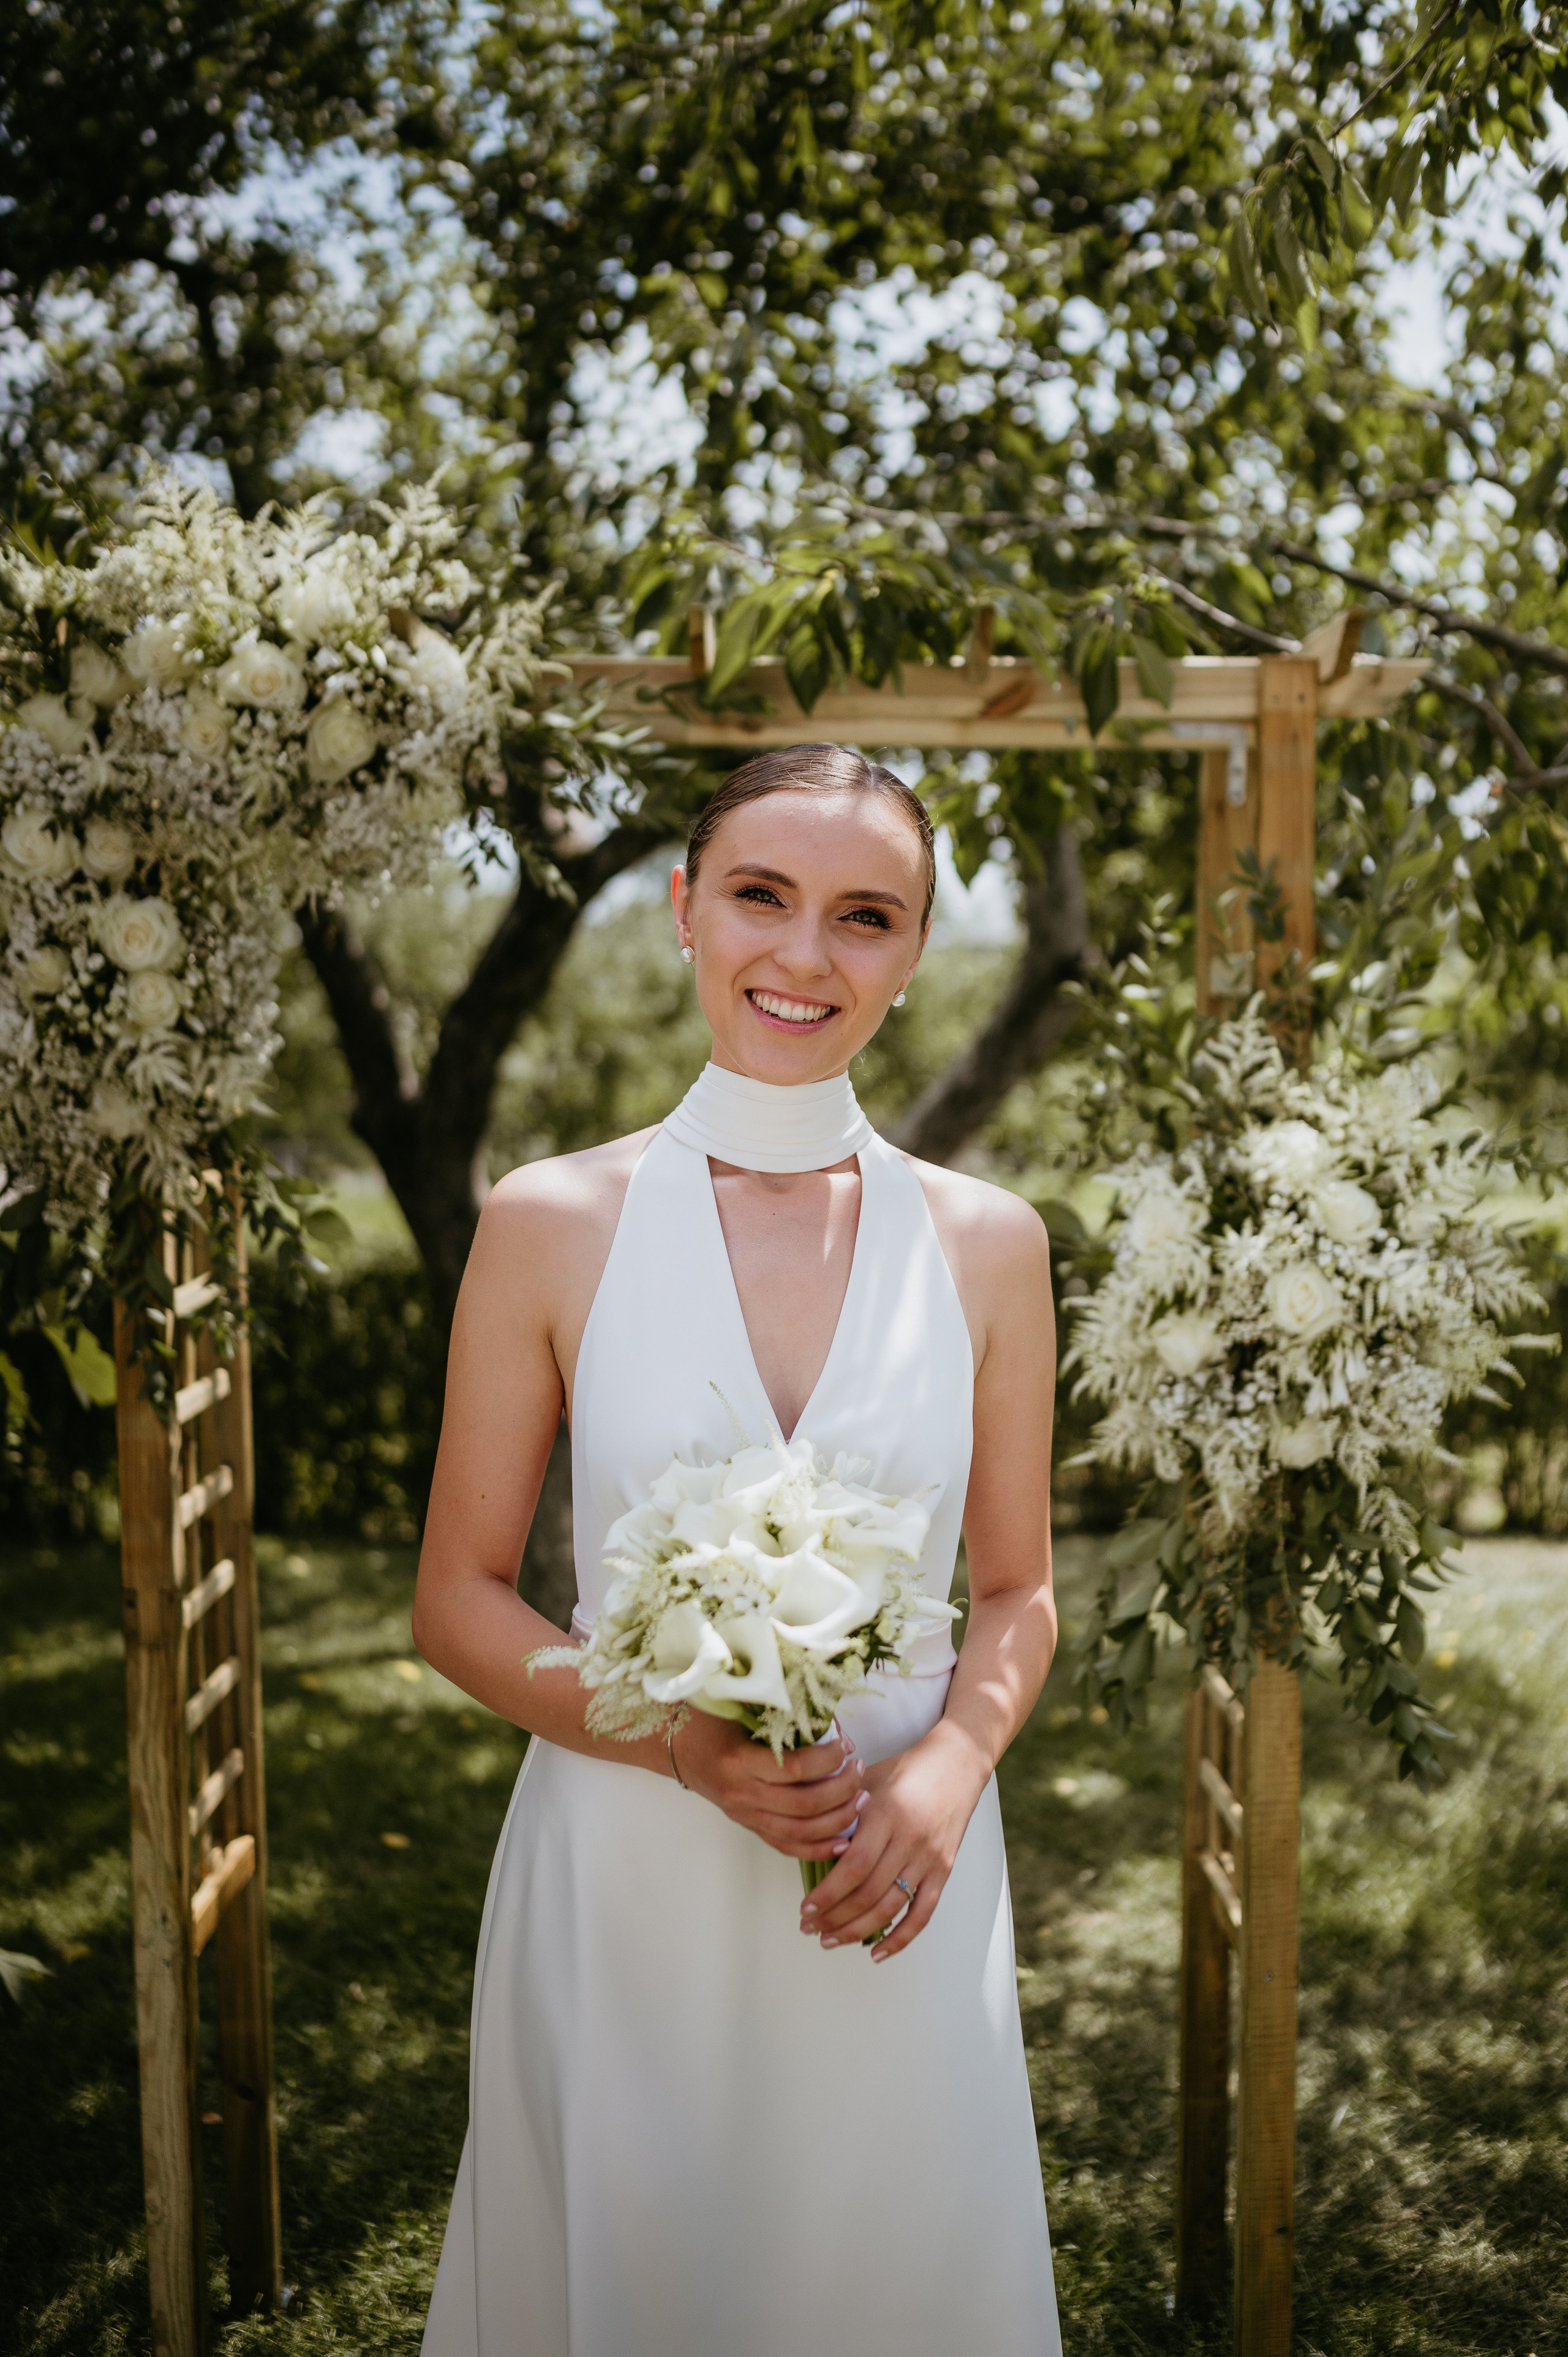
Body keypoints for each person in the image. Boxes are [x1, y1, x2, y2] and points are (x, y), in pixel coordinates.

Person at [415, 745, 1065, 2356]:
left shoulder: (990, 1244)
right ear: (687, 911)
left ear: (911, 958)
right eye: (761, 896)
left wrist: (949, 1775)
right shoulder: (550, 1219)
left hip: (891, 1872)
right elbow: (455, 1603)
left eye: (866, 916)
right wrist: (686, 1746)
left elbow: (1015, 1593)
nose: (803, 954)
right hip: (625, 1866)